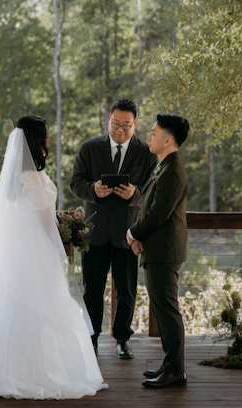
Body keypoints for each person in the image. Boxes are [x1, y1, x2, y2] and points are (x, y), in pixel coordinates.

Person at [0, 116, 108, 399]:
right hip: (36, 250)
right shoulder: (31, 176)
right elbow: (44, 219)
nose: (48, 140)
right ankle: (37, 372)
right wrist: (61, 242)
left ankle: (13, 367)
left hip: (23, 252)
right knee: (42, 306)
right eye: (45, 136)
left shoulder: (16, 176)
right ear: (35, 140)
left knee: (24, 309)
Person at [70, 99, 158, 358]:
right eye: (116, 123)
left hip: (128, 234)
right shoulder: (89, 148)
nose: (121, 130)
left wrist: (135, 194)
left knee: (127, 289)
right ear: (109, 119)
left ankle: (122, 339)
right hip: (95, 232)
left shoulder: (146, 152)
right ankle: (91, 338)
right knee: (92, 289)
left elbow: (152, 191)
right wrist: (93, 190)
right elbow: (76, 181)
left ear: (136, 123)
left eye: (126, 125)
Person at [127, 113, 189, 388]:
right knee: (163, 309)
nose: (149, 137)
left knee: (167, 310)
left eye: (153, 132)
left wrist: (131, 233)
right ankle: (170, 364)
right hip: (157, 249)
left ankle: (176, 371)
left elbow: (156, 215)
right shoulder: (163, 166)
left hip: (164, 251)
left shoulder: (173, 171)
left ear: (168, 139)